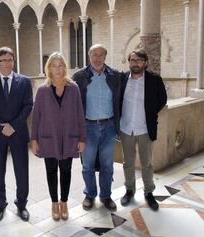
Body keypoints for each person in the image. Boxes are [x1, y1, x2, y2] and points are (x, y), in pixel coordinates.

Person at [31, 52, 86, 220]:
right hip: (48, 138)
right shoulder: (42, 90)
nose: (57, 69)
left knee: (66, 170)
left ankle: (64, 202)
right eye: (54, 65)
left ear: (64, 67)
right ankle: (54, 202)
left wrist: (82, 138)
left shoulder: (73, 88)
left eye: (60, 65)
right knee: (51, 170)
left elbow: (79, 114)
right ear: (49, 68)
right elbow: (36, 116)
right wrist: (34, 139)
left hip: (70, 137)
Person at [0, 46, 33, 222]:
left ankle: (22, 204)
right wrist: (1, 126)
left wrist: (14, 125)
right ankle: (0, 204)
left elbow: (28, 105)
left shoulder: (25, 81)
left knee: (22, 170)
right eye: (3, 60)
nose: (7, 63)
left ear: (14, 61)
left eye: (10, 59)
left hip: (18, 133)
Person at [73, 44, 121, 211]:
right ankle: (90, 194)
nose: (97, 58)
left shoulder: (115, 76)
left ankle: (106, 196)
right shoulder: (79, 77)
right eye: (94, 54)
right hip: (88, 127)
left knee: (107, 165)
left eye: (101, 54)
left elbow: (120, 101)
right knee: (87, 165)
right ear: (89, 56)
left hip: (109, 127)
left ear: (105, 56)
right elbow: (73, 104)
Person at [119, 49, 167, 211]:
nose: (135, 63)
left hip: (145, 129)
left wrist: (150, 113)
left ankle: (149, 193)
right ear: (129, 62)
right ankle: (129, 190)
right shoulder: (122, 78)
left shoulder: (154, 80)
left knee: (146, 163)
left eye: (139, 60)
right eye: (133, 60)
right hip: (126, 128)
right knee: (128, 163)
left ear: (145, 63)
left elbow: (162, 100)